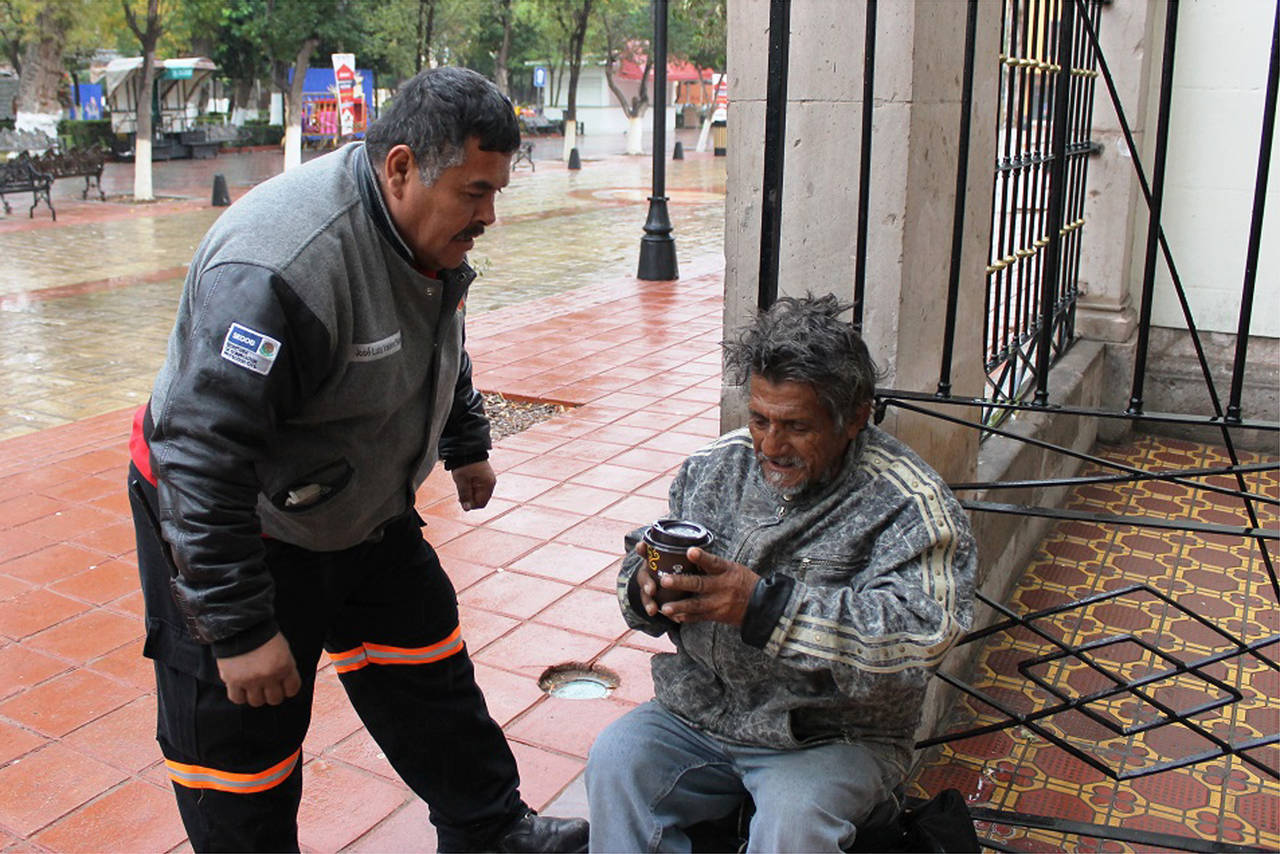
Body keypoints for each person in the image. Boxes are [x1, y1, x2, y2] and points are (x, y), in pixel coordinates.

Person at [126, 67, 588, 853]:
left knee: (428, 668)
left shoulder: (423, 233)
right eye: (476, 192)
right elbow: (201, 454)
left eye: (497, 191)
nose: (490, 215)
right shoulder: (280, 267)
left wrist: (464, 441)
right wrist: (237, 626)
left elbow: (436, 328)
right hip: (240, 522)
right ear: (401, 167)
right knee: (245, 745)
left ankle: (490, 832)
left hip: (363, 502)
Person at [585, 295, 977, 853]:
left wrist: (763, 608)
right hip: (701, 712)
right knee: (616, 761)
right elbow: (646, 548)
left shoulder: (908, 505)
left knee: (794, 822)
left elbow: (920, 638)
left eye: (796, 426)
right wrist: (644, 585)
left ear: (855, 418)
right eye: (759, 419)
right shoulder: (715, 466)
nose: (770, 445)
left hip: (829, 735)